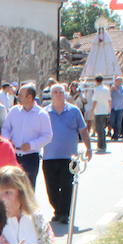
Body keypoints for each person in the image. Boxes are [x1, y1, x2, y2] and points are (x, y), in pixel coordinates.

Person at [41, 84, 92, 226]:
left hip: (70, 157)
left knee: (67, 185)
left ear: (65, 94)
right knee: (51, 188)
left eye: (60, 92)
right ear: (51, 95)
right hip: (49, 156)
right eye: (55, 92)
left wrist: (89, 148)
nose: (58, 94)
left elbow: (83, 130)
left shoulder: (74, 111)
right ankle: (58, 210)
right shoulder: (44, 112)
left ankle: (64, 214)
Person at [0, 82, 52, 188]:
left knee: (28, 189)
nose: (18, 97)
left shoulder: (41, 114)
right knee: (11, 187)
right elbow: (6, 128)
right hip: (13, 155)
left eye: (20, 95)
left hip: (30, 157)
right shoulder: (14, 111)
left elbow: (47, 136)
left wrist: (31, 145)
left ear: (30, 97)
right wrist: (7, 141)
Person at [89, 75, 111, 153]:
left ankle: (101, 145)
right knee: (103, 128)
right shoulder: (107, 89)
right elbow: (109, 100)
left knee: (99, 129)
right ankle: (103, 144)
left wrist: (92, 110)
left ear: (96, 81)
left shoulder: (97, 89)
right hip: (105, 110)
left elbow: (95, 101)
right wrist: (109, 109)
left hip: (98, 111)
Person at [109, 76, 123, 143]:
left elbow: (122, 96)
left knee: (118, 121)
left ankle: (116, 134)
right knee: (111, 121)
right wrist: (110, 90)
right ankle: (115, 131)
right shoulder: (112, 88)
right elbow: (108, 97)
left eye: (118, 81)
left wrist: (117, 90)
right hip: (113, 107)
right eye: (116, 81)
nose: (117, 82)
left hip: (121, 107)